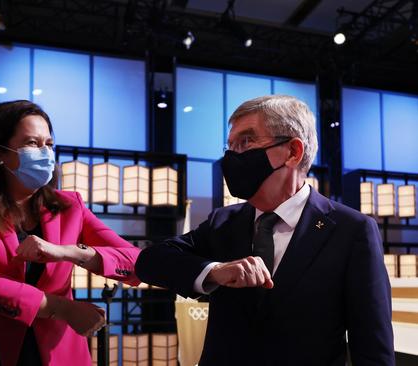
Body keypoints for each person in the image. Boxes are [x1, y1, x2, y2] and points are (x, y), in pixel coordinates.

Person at [136, 95, 394, 365]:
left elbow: (373, 347)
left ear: (294, 152)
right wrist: (215, 271)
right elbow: (150, 261)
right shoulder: (223, 222)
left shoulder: (351, 230)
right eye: (230, 146)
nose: (232, 157)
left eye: (246, 142)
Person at [0, 100, 141, 366]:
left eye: (48, 144)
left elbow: (136, 262)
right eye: (32, 144)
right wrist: (61, 308)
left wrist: (68, 252)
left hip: (61, 353)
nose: (45, 153)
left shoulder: (70, 206)